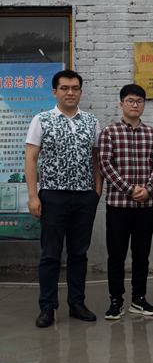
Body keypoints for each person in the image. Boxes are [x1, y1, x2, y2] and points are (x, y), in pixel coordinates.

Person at [26, 70, 103, 328]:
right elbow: (31, 159)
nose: (70, 92)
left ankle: (76, 303)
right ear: (55, 92)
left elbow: (96, 158)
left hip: (84, 196)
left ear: (80, 91)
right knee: (50, 254)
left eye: (75, 88)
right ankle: (47, 306)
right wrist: (33, 196)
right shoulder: (42, 120)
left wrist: (97, 191)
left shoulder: (91, 121)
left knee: (79, 253)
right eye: (65, 88)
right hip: (53, 196)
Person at [98, 84, 153, 320]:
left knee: (141, 255)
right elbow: (105, 165)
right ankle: (116, 301)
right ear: (121, 104)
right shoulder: (109, 132)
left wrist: (148, 189)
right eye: (130, 101)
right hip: (118, 206)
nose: (135, 105)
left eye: (139, 101)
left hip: (146, 206)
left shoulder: (152, 134)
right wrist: (130, 189)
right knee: (116, 256)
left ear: (144, 105)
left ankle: (139, 299)